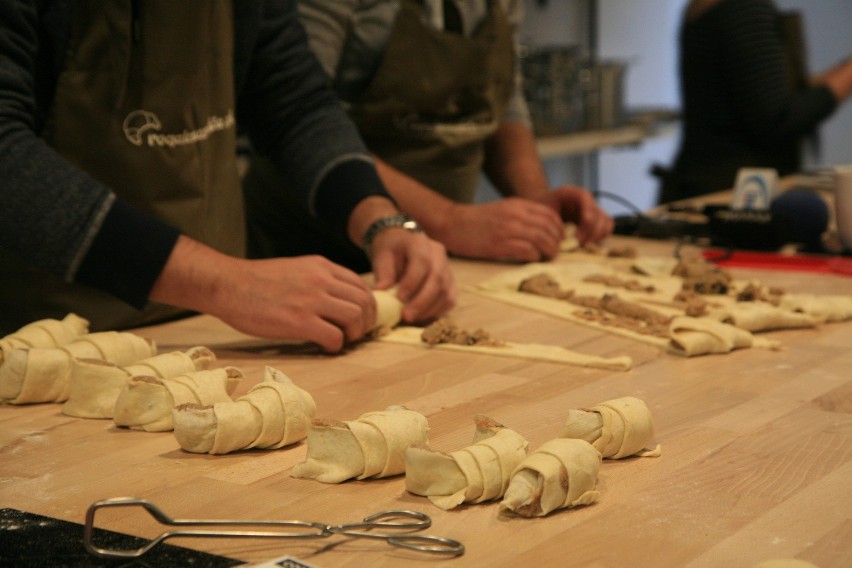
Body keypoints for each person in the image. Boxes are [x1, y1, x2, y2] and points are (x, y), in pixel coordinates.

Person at [0, 0, 455, 352]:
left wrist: (381, 221)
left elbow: (296, 105)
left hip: (207, 334)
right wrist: (225, 283)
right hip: (37, 345)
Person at [242, 0, 612, 269]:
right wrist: (451, 221)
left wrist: (536, 205)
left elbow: (503, 98)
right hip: (307, 252)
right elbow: (300, 119)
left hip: (434, 257)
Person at [659, 0, 852, 203]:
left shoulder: (716, 7)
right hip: (732, 197)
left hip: (704, 184)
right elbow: (779, 120)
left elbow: (768, 92)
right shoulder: (745, 9)